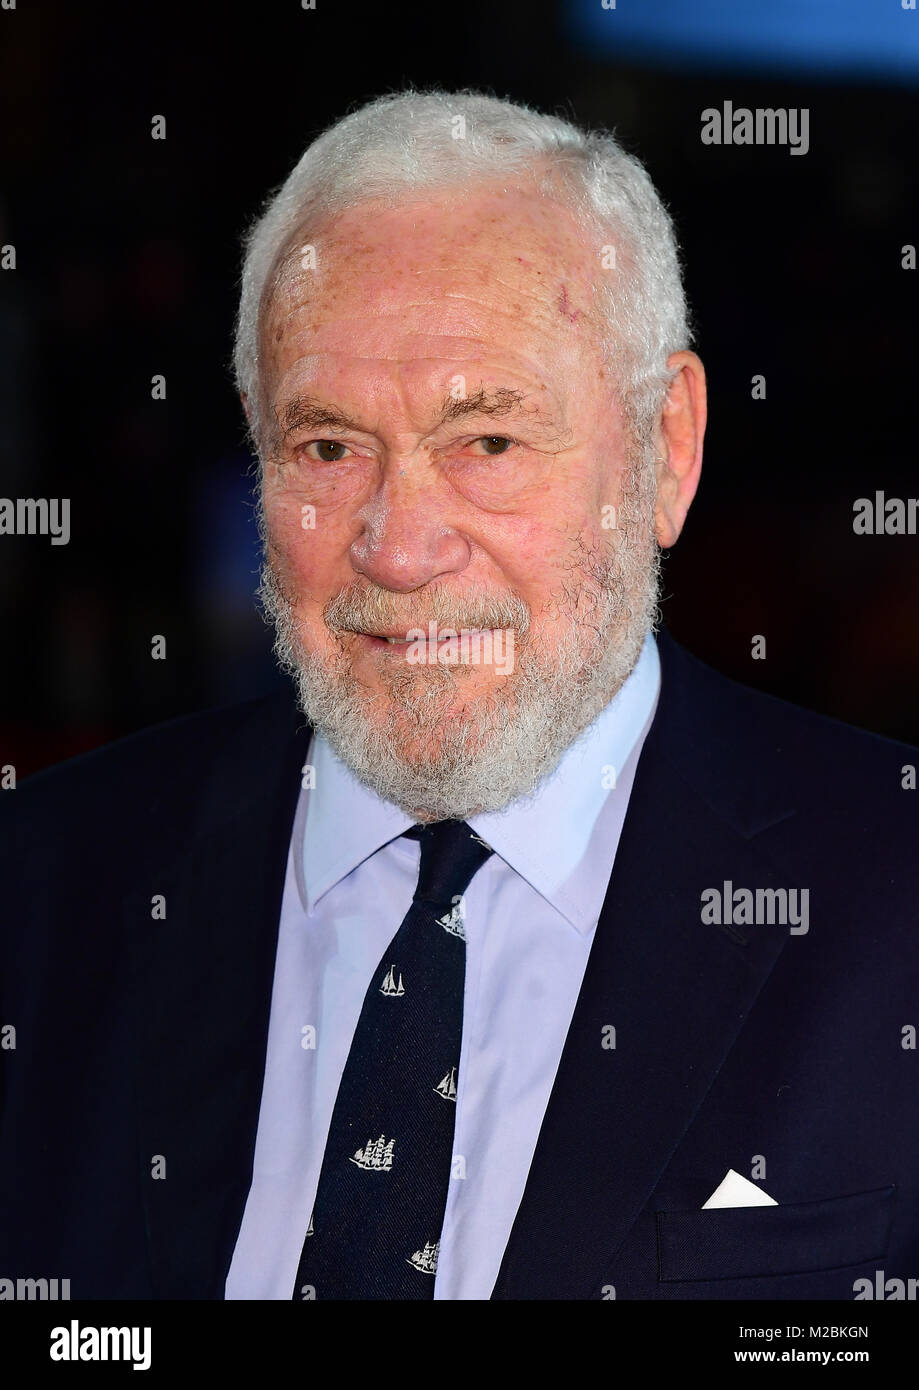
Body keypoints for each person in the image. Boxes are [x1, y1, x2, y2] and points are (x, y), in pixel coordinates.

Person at [1, 89, 916, 1302]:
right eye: (329, 447)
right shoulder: (46, 885)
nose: (397, 546)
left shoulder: (889, 902)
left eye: (486, 441)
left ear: (667, 447)